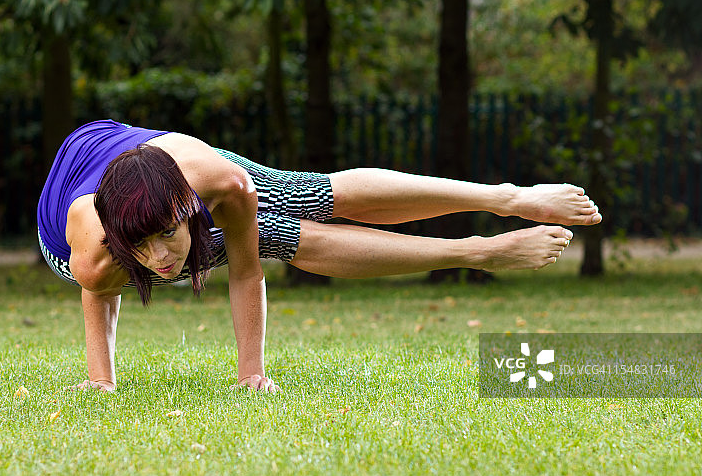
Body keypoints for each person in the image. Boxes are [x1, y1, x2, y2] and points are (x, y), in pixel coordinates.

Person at [37, 119, 602, 394]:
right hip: (78, 207)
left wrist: (251, 374)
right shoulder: (97, 250)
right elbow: (98, 295)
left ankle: (506, 198)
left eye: (168, 234)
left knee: (309, 195)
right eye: (144, 246)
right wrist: (101, 382)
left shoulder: (222, 183)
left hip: (149, 157)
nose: (161, 258)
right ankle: (477, 253)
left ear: (190, 206)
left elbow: (246, 273)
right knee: (286, 236)